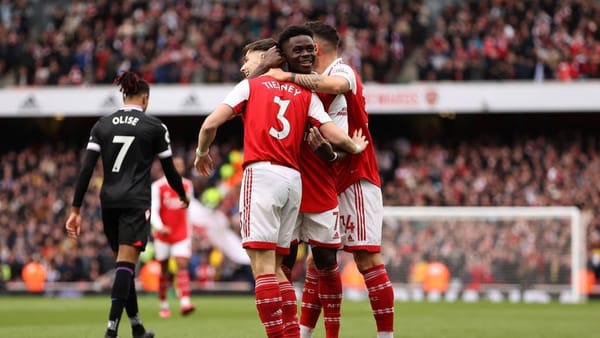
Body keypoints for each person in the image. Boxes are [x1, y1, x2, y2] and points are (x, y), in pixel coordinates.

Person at [194, 29, 368, 338]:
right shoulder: (305, 93)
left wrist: (201, 153)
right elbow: (332, 132)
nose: (243, 66)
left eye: (246, 60)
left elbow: (210, 123)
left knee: (262, 268)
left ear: (263, 57)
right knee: (277, 268)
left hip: (262, 175)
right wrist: (354, 147)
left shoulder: (250, 85)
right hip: (293, 181)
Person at [264, 21, 395, 338]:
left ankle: (385, 336)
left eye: (307, 47)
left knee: (366, 258)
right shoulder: (308, 87)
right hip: (327, 178)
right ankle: (306, 333)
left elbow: (336, 87)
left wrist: (286, 75)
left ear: (316, 48)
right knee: (316, 260)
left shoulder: (343, 70)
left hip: (355, 177)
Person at [65, 71, 189, 338]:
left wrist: (75, 209)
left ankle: (137, 327)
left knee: (124, 264)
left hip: (108, 201)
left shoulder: (102, 125)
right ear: (144, 98)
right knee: (126, 264)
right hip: (135, 201)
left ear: (123, 95)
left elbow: (86, 169)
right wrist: (182, 194)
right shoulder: (154, 127)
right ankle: (111, 331)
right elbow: (169, 169)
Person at [150, 156, 195, 318]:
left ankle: (185, 302)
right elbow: (153, 210)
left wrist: (190, 233)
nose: (178, 167)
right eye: (175, 165)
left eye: (180, 165)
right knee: (164, 269)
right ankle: (163, 304)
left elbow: (189, 210)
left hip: (181, 233)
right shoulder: (158, 187)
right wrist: (160, 227)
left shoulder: (187, 185)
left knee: (181, 264)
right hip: (163, 235)